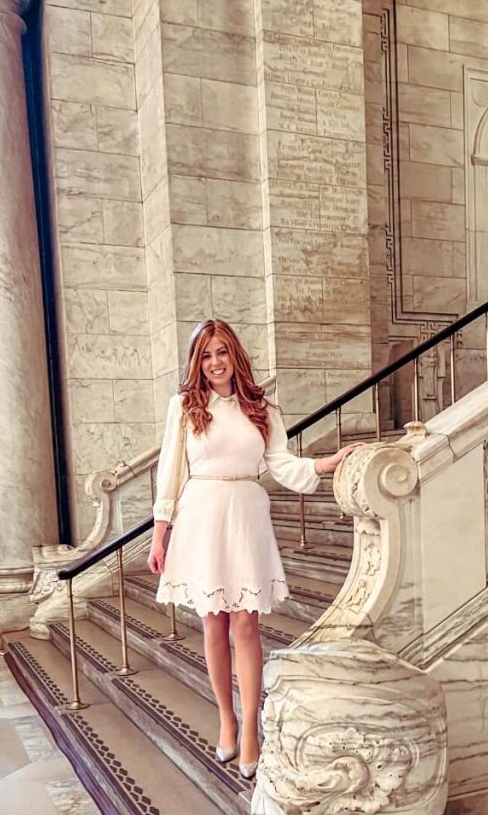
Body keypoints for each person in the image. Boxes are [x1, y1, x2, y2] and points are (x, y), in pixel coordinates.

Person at [148, 320, 361, 780]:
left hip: (246, 512)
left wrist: (325, 463)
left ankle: (249, 728)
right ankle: (226, 719)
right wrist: (160, 532)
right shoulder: (184, 406)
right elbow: (170, 471)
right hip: (201, 513)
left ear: (235, 355)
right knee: (214, 621)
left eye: (222, 352)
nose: (215, 362)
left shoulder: (261, 406)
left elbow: (280, 462)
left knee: (246, 622)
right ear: (197, 363)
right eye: (206, 355)